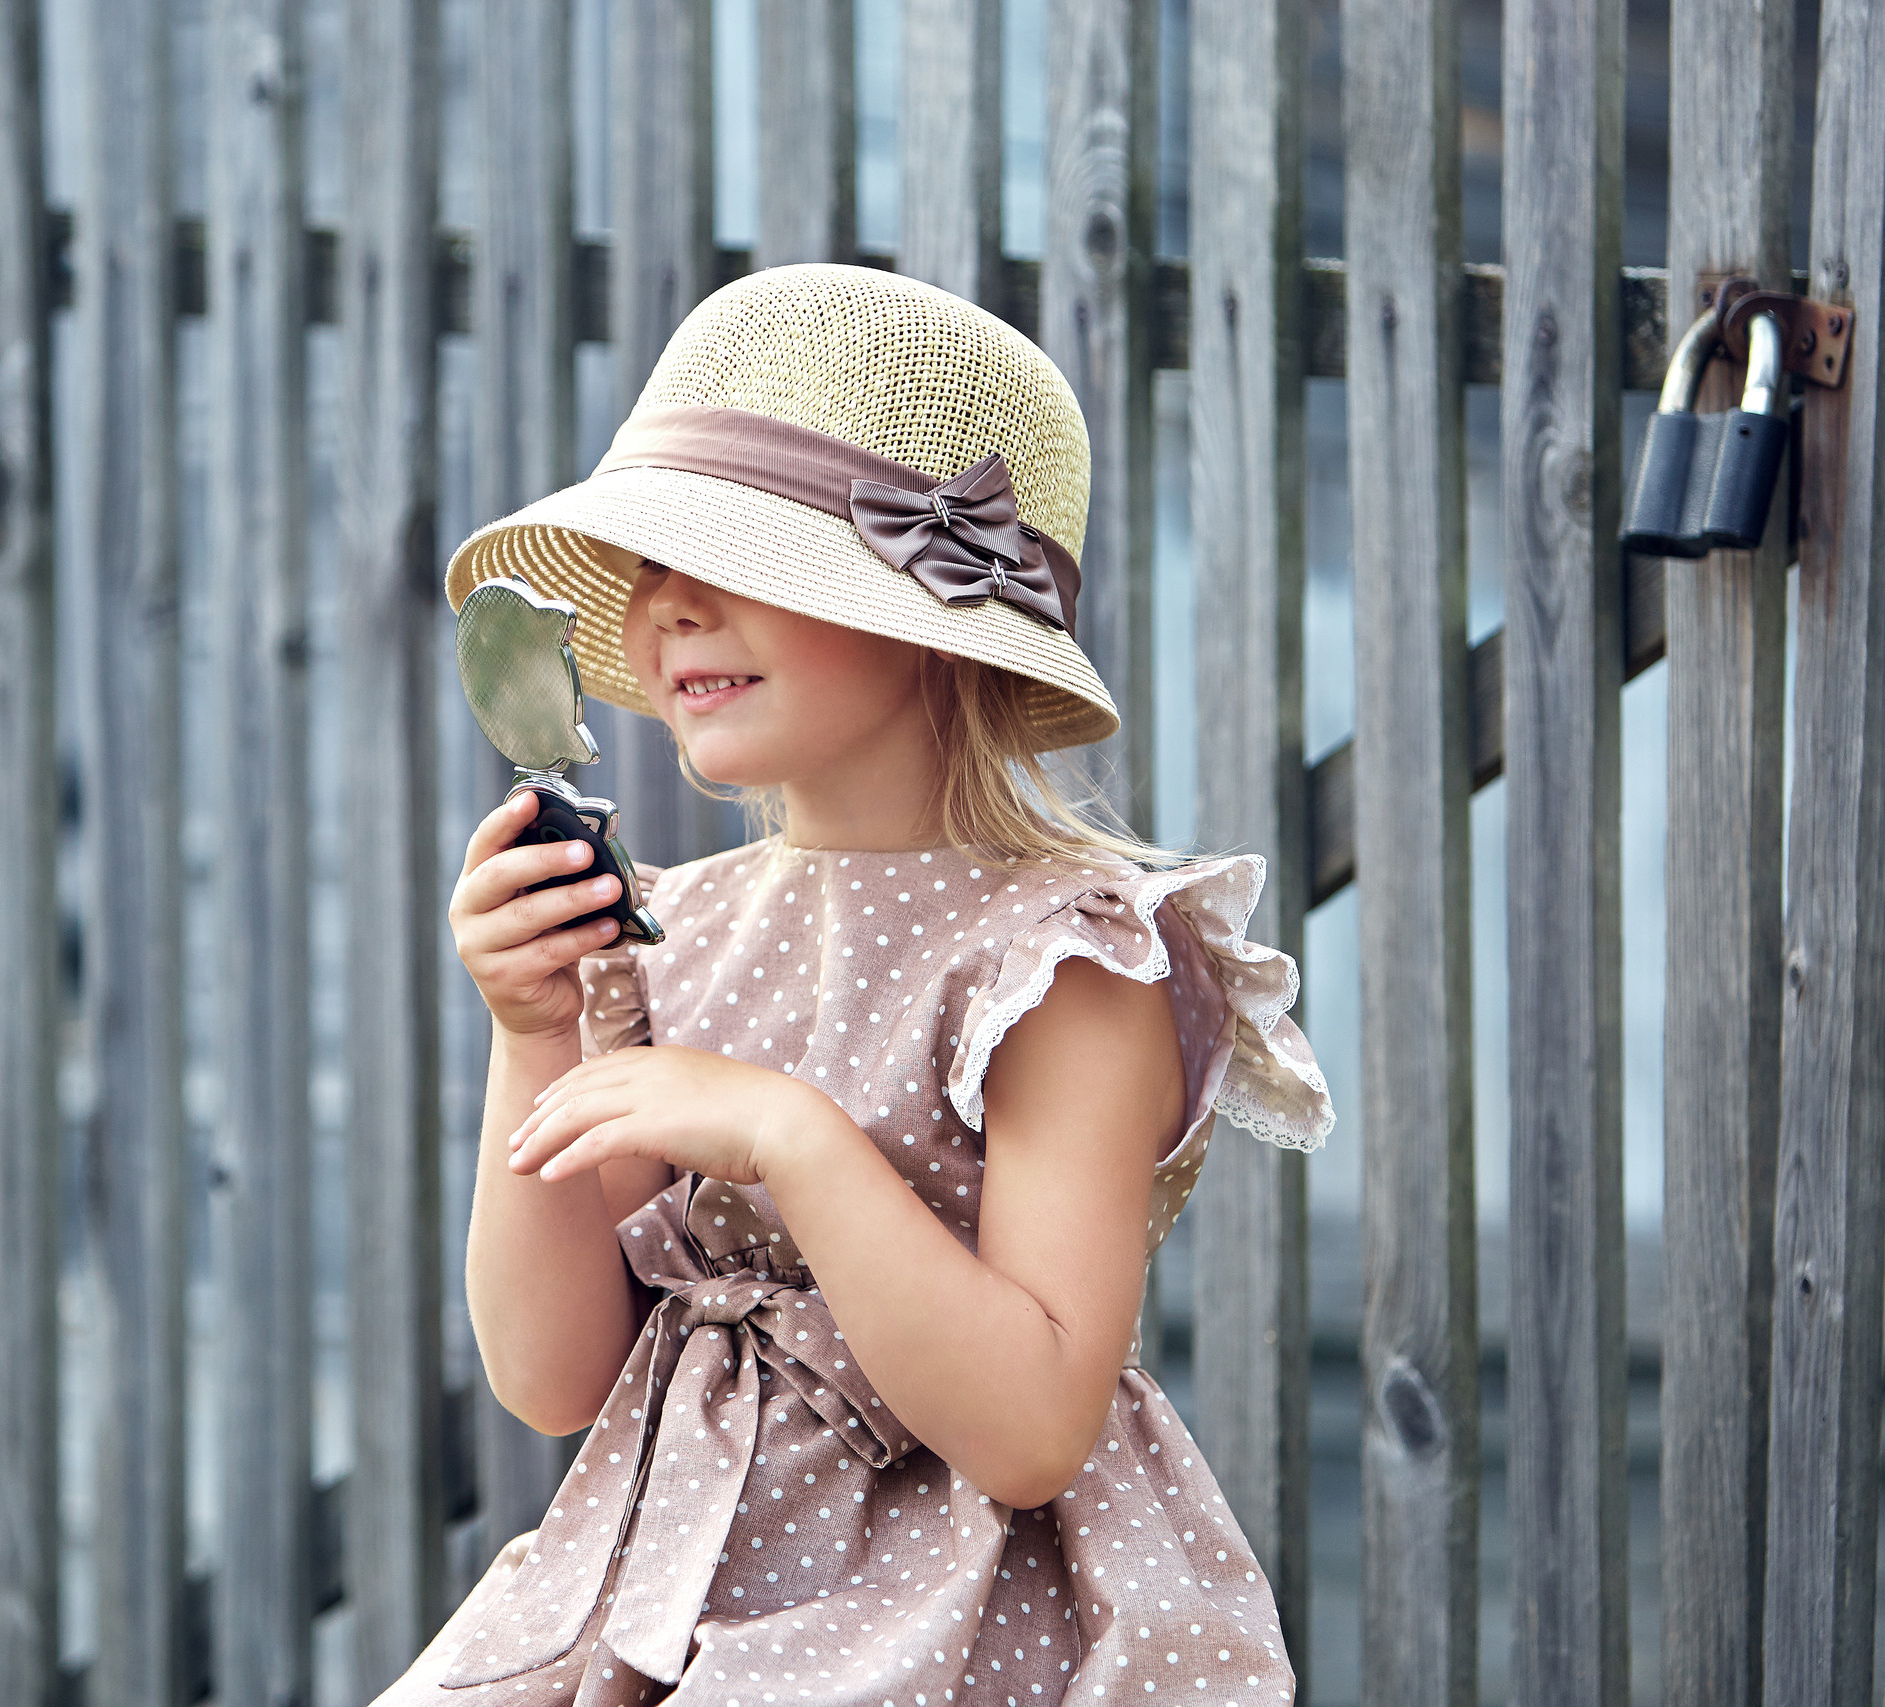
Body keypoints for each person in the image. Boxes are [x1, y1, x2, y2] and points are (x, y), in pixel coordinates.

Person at [397, 263, 1333, 1706]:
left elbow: (1028, 1430)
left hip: (951, 1631)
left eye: (741, 556)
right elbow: (553, 1375)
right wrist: (531, 1033)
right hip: (663, 1599)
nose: (672, 606)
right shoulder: (671, 931)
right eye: (650, 565)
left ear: (928, 612)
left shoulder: (1067, 962)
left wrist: (790, 1138)